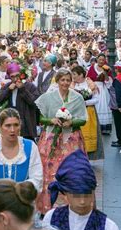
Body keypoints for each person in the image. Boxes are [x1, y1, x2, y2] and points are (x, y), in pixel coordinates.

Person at [44, 149, 121, 230]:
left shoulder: (108, 228)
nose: (82, 201)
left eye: (87, 194)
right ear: (65, 193)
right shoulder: (51, 219)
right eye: (76, 195)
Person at [35, 68, 88, 214]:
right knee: (49, 170)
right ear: (57, 81)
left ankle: (71, 206)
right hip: (51, 138)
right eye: (62, 80)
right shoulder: (48, 97)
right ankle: (47, 206)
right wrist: (50, 120)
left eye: (68, 80)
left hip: (71, 138)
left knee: (71, 168)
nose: (65, 83)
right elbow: (40, 118)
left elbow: (83, 119)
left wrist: (71, 122)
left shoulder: (77, 97)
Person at [0, 108, 43, 191]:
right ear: (0, 126)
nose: (12, 130)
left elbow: (37, 178)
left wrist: (20, 192)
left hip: (22, 200)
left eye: (16, 125)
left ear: (20, 126)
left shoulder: (30, 146)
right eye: (8, 125)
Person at [0, 63, 40, 140]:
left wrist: (23, 89)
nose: (15, 79)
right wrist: (8, 90)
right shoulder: (7, 86)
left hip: (27, 127)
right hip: (10, 126)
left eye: (17, 75)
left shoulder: (30, 86)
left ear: (21, 74)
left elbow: (35, 104)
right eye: (12, 76)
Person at [71, 65, 103, 159]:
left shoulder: (90, 84)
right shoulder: (72, 85)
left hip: (89, 111)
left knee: (88, 134)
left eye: (75, 74)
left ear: (81, 75)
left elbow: (96, 99)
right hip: (75, 113)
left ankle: (88, 156)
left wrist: (84, 102)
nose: (73, 77)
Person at [87, 53, 113, 134]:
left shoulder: (107, 69)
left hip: (103, 89)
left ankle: (104, 128)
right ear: (97, 59)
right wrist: (92, 84)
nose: (101, 61)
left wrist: (105, 74)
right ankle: (95, 126)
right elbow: (88, 78)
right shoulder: (92, 67)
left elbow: (109, 83)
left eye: (103, 60)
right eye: (100, 59)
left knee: (103, 106)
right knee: (95, 106)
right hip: (94, 88)